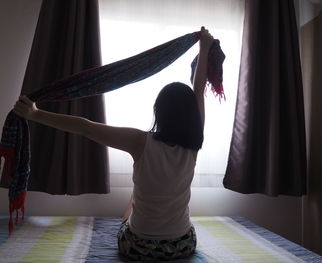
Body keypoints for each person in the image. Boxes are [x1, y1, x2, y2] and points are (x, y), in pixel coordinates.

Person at [13, 26, 214, 261]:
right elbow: (198, 92)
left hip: (139, 246)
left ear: (159, 112)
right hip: (182, 245)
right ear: (191, 117)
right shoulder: (193, 145)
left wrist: (35, 114)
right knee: (138, 197)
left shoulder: (139, 141)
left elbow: (85, 126)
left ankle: (131, 220)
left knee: (132, 203)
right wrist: (204, 49)